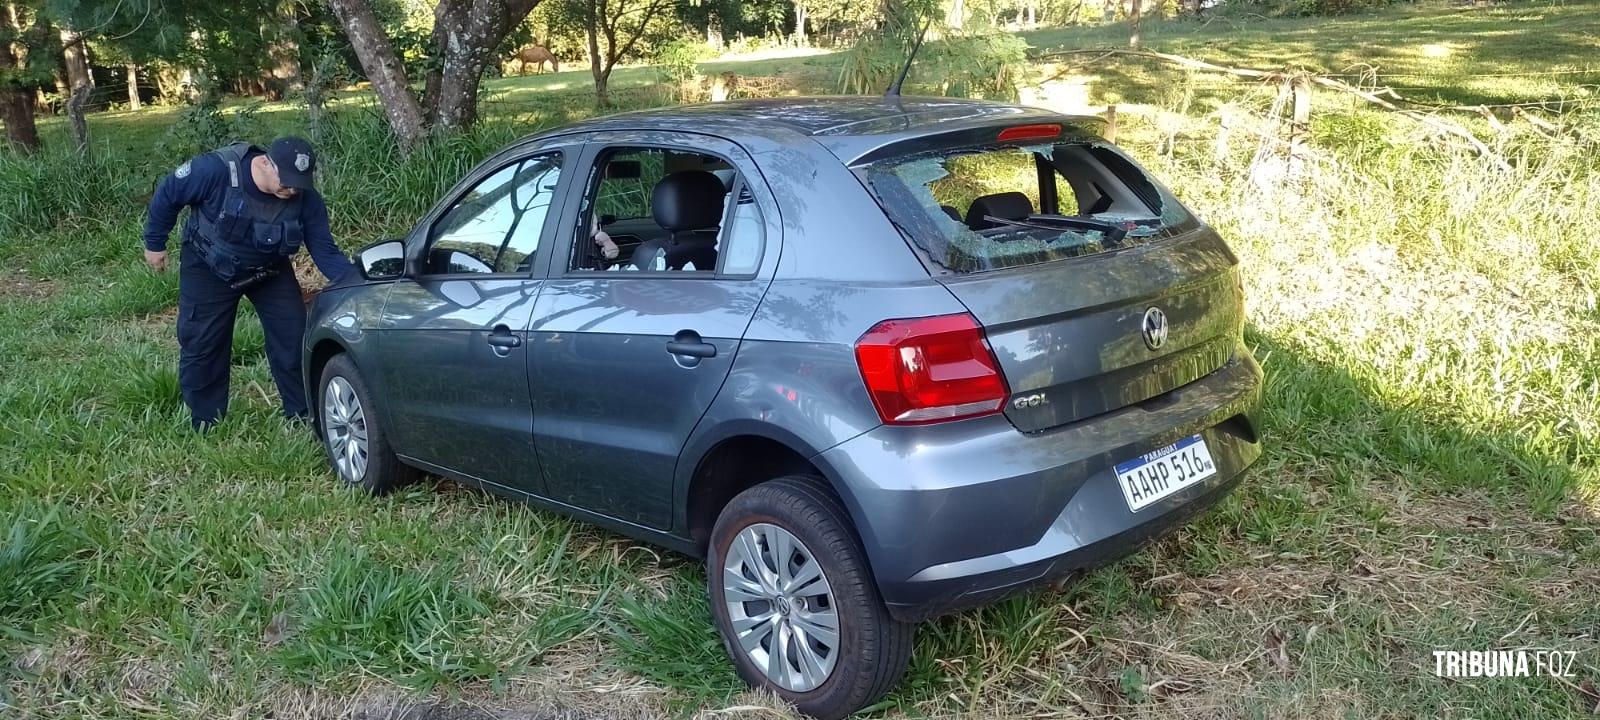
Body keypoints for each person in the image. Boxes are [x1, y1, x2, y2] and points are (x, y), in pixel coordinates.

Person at [142, 137, 355, 430]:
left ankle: (304, 414)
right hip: (208, 267)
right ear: (266, 163)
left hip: (268, 269)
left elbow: (325, 250)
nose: (292, 190)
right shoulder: (215, 171)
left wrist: (356, 283)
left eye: (299, 183)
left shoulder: (306, 199)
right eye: (287, 181)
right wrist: (155, 243)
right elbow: (169, 193)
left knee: (294, 338)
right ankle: (205, 421)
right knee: (203, 343)